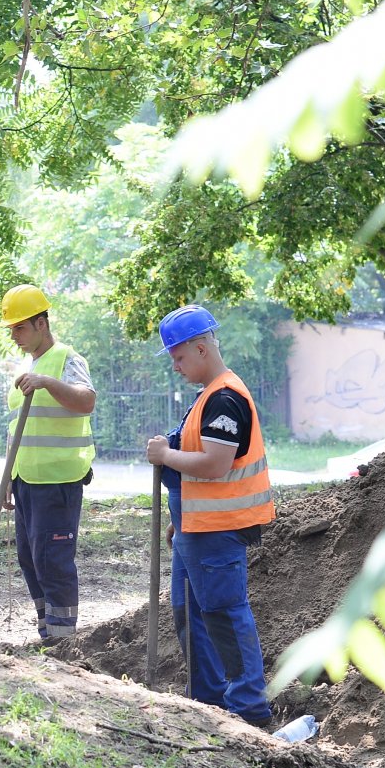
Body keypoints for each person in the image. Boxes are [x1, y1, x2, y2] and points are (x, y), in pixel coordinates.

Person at [144, 305, 275, 727]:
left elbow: (216, 464)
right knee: (191, 615)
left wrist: (165, 454)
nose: (176, 367)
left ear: (201, 348)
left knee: (223, 615)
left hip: (218, 531)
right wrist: (180, 514)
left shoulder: (224, 397)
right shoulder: (208, 396)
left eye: (178, 357)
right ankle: (209, 702)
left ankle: (248, 710)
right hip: (195, 528)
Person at [0, 284, 96, 641]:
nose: (15, 337)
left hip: (58, 481)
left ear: (42, 323)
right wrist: (10, 476)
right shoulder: (27, 366)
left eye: (20, 328)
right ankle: (47, 631)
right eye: (11, 330)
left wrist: (47, 382)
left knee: (52, 560)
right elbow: (17, 428)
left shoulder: (67, 359)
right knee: (30, 559)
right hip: (26, 479)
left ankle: (62, 639)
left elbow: (86, 401)